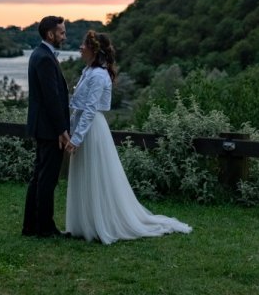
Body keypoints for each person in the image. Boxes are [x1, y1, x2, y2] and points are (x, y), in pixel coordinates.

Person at [65, 31, 192, 244]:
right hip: (83, 126)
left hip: (92, 130)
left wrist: (76, 137)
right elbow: (78, 107)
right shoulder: (88, 71)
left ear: (93, 50)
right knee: (85, 173)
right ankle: (85, 223)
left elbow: (90, 109)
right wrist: (70, 129)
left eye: (83, 45)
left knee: (96, 174)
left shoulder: (97, 75)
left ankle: (100, 222)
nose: (80, 48)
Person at [22, 15, 71, 238]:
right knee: (46, 179)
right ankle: (44, 227)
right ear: (50, 34)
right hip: (48, 128)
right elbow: (51, 98)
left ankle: (31, 226)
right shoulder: (44, 58)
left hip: (43, 127)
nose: (64, 35)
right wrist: (62, 130)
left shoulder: (41, 55)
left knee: (39, 177)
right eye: (61, 32)